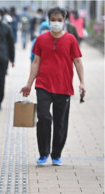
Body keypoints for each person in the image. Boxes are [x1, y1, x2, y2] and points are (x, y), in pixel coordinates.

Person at [20, 7, 86, 166]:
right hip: (43, 85)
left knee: (60, 122)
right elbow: (35, 62)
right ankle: (43, 153)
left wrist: (82, 82)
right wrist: (29, 84)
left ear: (64, 21)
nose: (56, 23)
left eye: (59, 20)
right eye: (53, 20)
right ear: (48, 21)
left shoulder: (71, 39)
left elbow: (77, 61)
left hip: (64, 87)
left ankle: (56, 154)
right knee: (43, 117)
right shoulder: (41, 39)